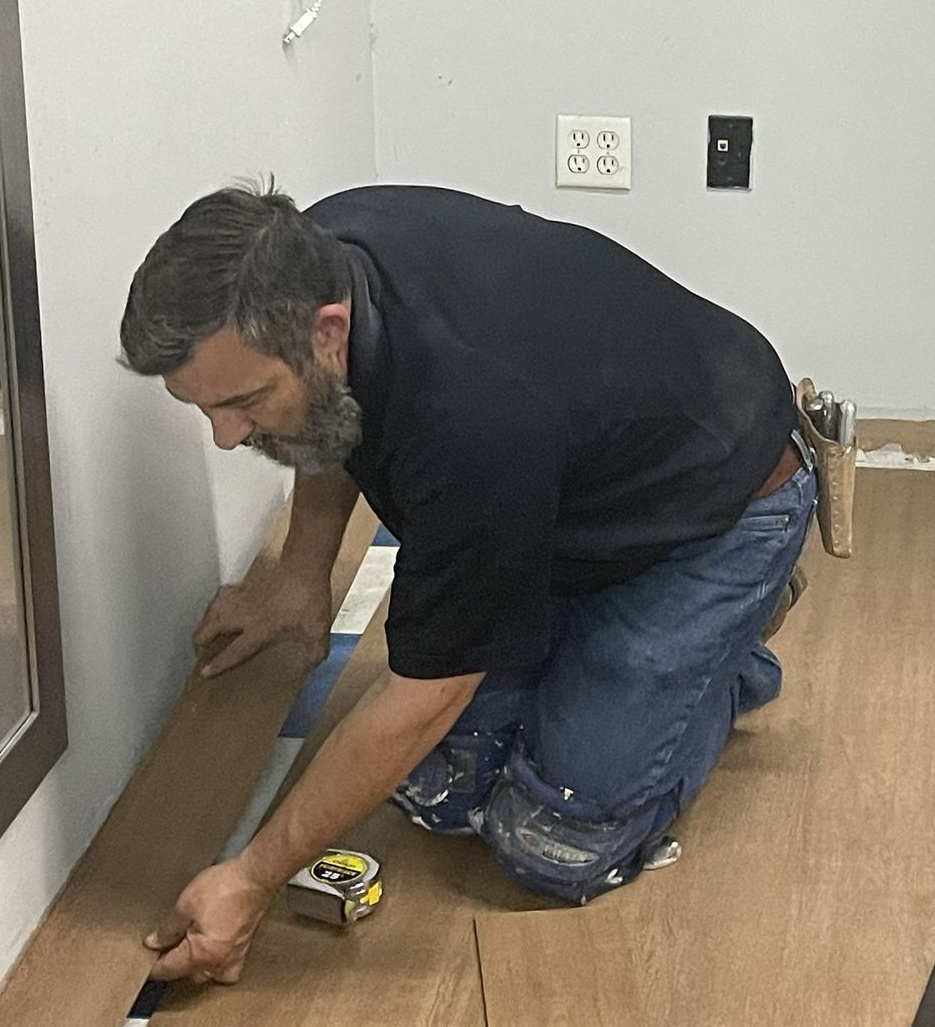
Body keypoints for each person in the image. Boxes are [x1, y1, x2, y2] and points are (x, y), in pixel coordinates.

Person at [123, 183, 816, 986]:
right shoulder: (319, 253)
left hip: (720, 508)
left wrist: (249, 880)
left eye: (243, 402)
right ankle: (641, 658)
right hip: (567, 501)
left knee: (551, 843)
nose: (226, 435)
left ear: (327, 333)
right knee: (441, 794)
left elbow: (428, 696)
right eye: (204, 408)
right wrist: (299, 575)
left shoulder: (468, 417)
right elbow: (328, 417)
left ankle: (723, 652)